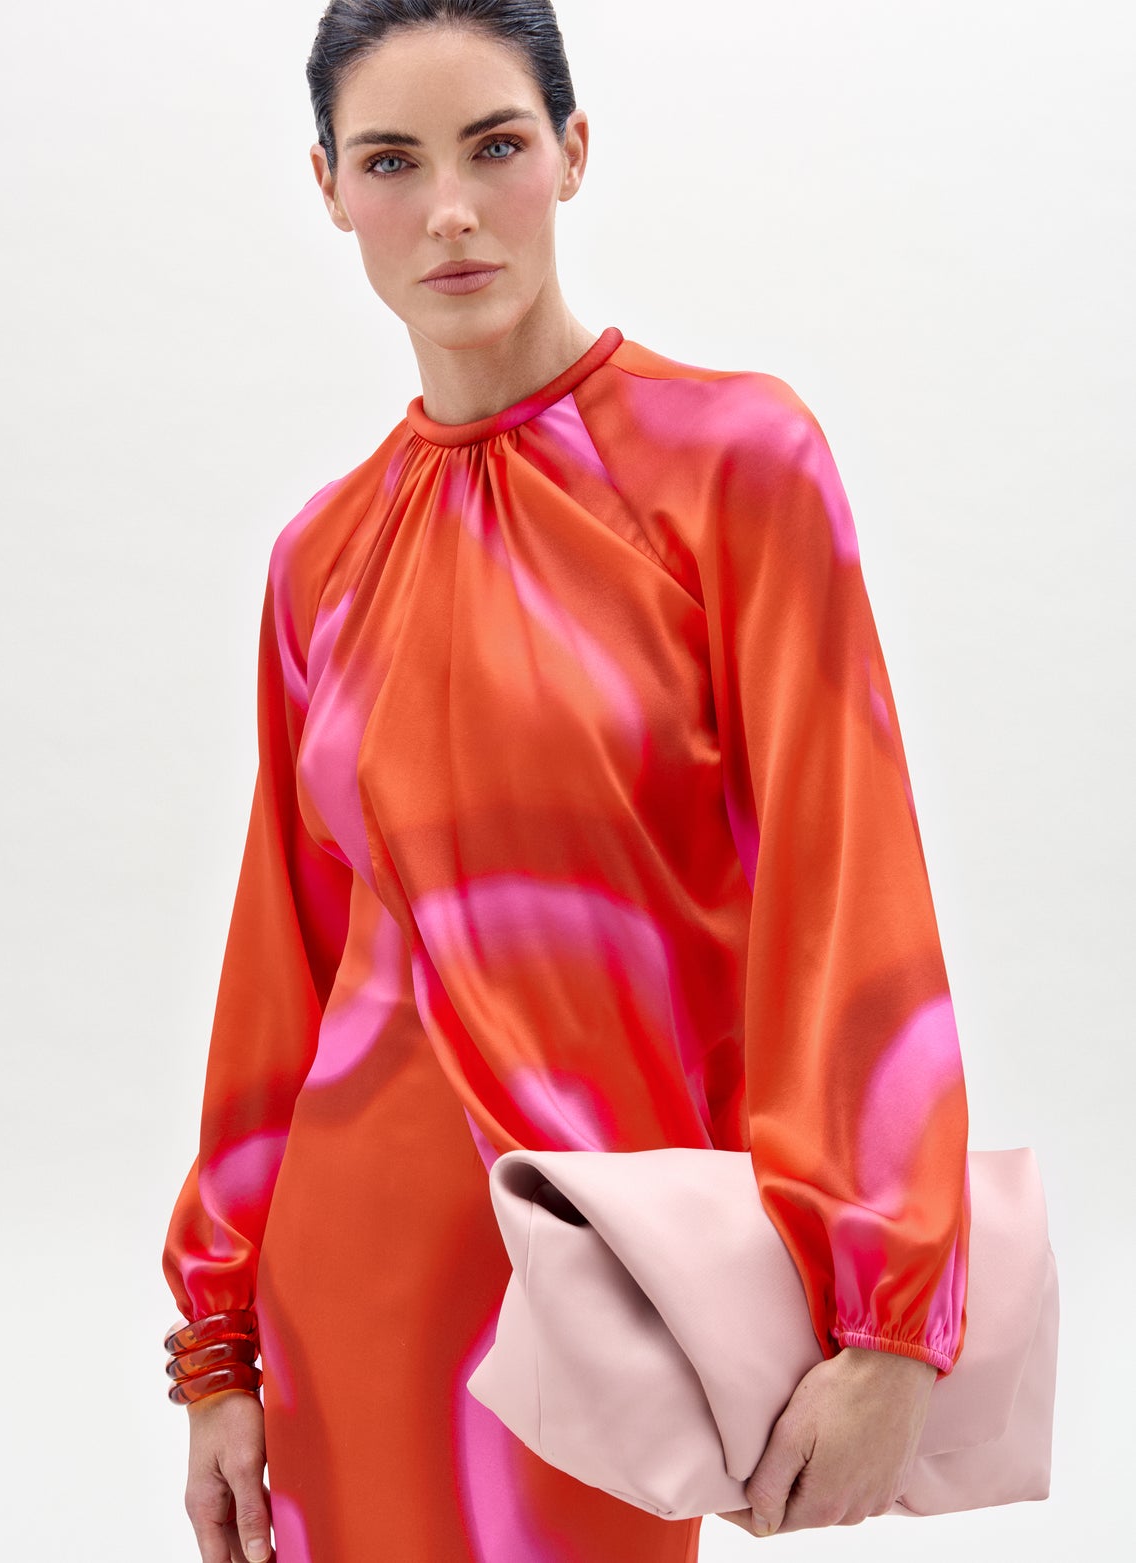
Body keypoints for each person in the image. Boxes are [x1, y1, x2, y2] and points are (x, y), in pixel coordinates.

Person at [159, 4, 970, 1560]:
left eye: (496, 147)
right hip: (352, 1292)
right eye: (392, 161)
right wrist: (218, 1356)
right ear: (329, 186)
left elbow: (845, 886)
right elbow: (282, 967)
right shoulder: (318, 562)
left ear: (572, 155)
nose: (449, 209)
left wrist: (891, 1313)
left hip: (614, 1299)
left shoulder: (735, 464)